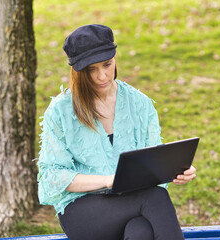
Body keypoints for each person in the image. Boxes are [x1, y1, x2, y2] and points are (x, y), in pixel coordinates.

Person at [37, 24, 197, 240]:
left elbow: (152, 159)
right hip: (83, 210)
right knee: (155, 197)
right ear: (78, 71)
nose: (102, 75)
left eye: (107, 64)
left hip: (131, 201)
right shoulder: (61, 110)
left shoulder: (139, 104)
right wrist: (106, 180)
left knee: (140, 231)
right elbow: (52, 175)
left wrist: (175, 170)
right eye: (91, 69)